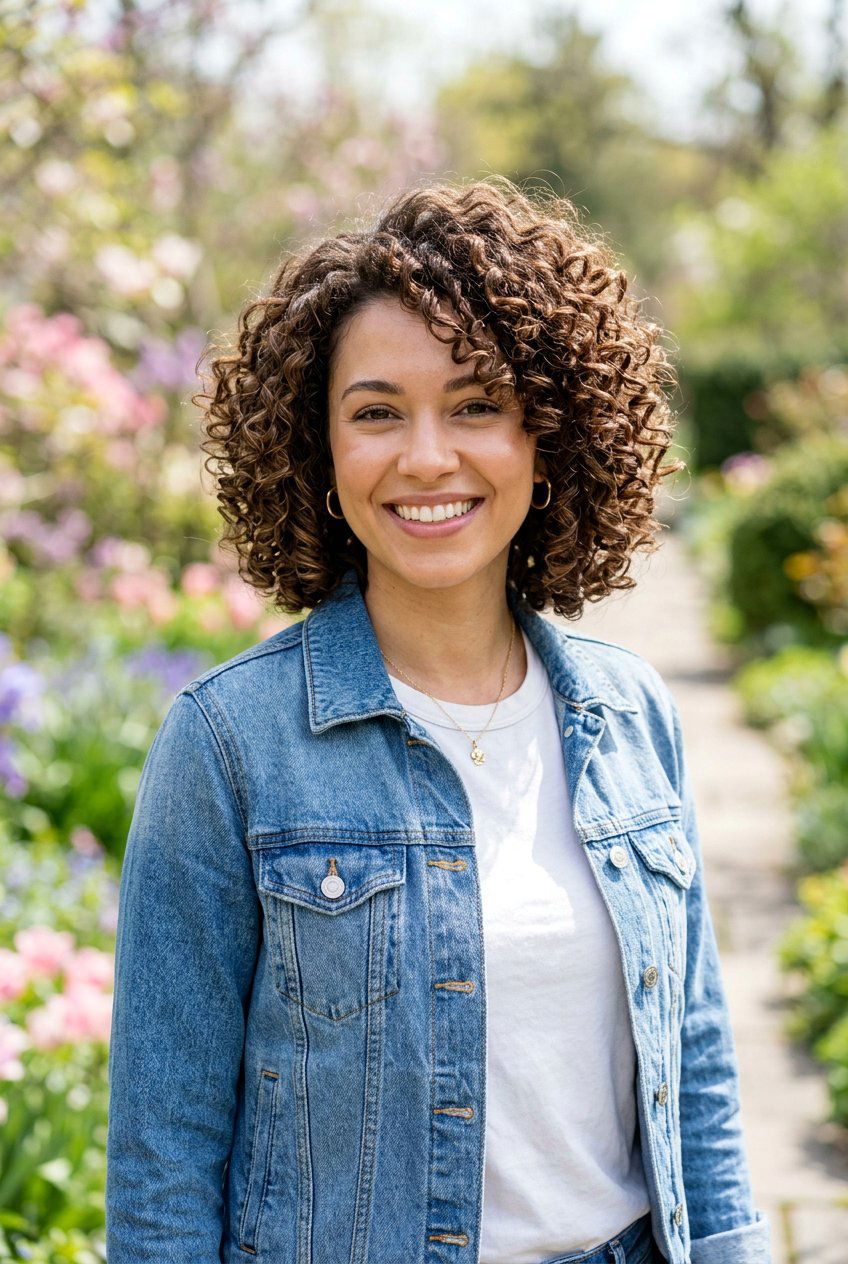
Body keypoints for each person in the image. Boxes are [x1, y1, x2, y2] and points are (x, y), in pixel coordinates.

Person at [105, 178, 773, 1264]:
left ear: (547, 435)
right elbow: (162, 1159)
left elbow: (695, 1078)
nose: (425, 457)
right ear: (319, 451)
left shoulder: (628, 715)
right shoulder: (229, 745)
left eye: (475, 405)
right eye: (376, 412)